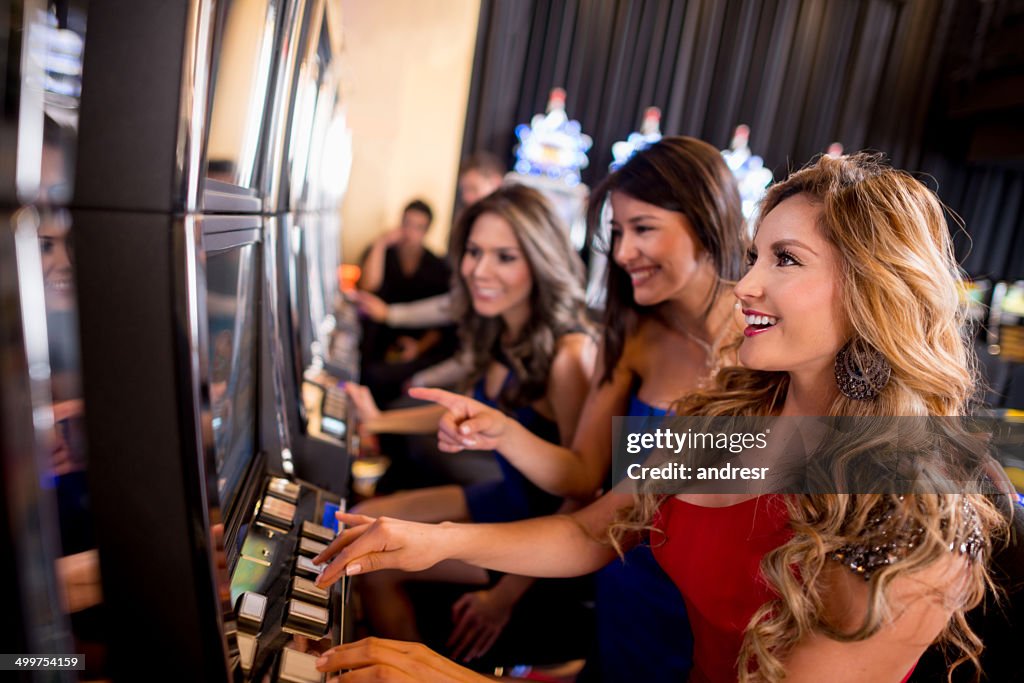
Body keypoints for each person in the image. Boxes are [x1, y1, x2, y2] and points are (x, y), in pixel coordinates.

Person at [313, 153, 1011, 682]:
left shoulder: (919, 513)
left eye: (786, 260)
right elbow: (595, 529)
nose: (751, 285)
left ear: (873, 289)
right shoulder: (730, 415)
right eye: (755, 256)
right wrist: (437, 541)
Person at [405, 135, 747, 682]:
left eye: (643, 229)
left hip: (693, 617)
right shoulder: (636, 332)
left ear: (707, 217)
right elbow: (587, 479)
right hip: (616, 579)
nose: (622, 252)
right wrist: (503, 433)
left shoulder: (764, 352)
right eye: (616, 232)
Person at [343, 183, 597, 659]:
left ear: (540, 261)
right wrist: (379, 420)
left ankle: (402, 668)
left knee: (374, 564)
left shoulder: (568, 355)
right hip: (505, 497)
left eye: (505, 257)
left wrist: (502, 598)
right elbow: (468, 410)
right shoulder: (500, 326)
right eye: (474, 252)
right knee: (366, 524)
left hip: (542, 535)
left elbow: (582, 495)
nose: (480, 270)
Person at [358, 199, 457, 406]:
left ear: (427, 231)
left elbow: (442, 318)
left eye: (418, 227)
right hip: (376, 338)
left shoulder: (437, 267)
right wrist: (381, 244)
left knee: (382, 377)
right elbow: (368, 287)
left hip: (414, 345)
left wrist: (419, 347)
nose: (410, 232)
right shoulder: (384, 253)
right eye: (407, 224)